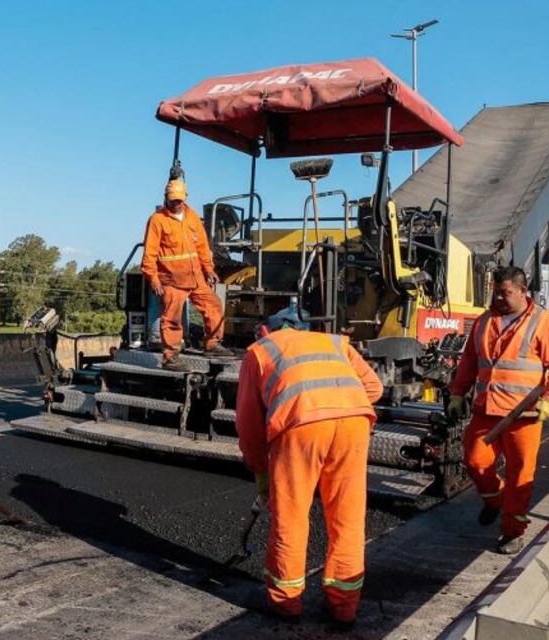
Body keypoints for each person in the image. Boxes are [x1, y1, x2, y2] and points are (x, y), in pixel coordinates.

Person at [235, 309, 384, 628]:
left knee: (290, 515)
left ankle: (287, 603)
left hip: (300, 426)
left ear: (265, 330)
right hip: (354, 422)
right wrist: (338, 403)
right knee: (347, 517)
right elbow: (374, 389)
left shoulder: (259, 351)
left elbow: (248, 424)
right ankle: (344, 607)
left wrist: (260, 469)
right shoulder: (335, 342)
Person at [447, 267, 549, 555]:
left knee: (520, 476)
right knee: (476, 462)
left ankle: (512, 532)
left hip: (523, 416)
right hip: (486, 410)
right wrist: (457, 394)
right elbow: (469, 361)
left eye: (505, 293)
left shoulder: (544, 322)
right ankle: (494, 499)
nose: (499, 297)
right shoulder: (484, 321)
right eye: (496, 291)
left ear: (522, 291)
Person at [141, 176, 232, 371]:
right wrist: (153, 278)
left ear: (185, 198)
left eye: (180, 200)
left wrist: (209, 269)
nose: (177, 203)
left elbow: (202, 246)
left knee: (213, 305)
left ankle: (213, 344)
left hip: (195, 276)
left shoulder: (192, 217)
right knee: (172, 318)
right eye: (173, 200)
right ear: (166, 198)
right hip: (171, 279)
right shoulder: (157, 220)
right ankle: (170, 357)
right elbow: (149, 252)